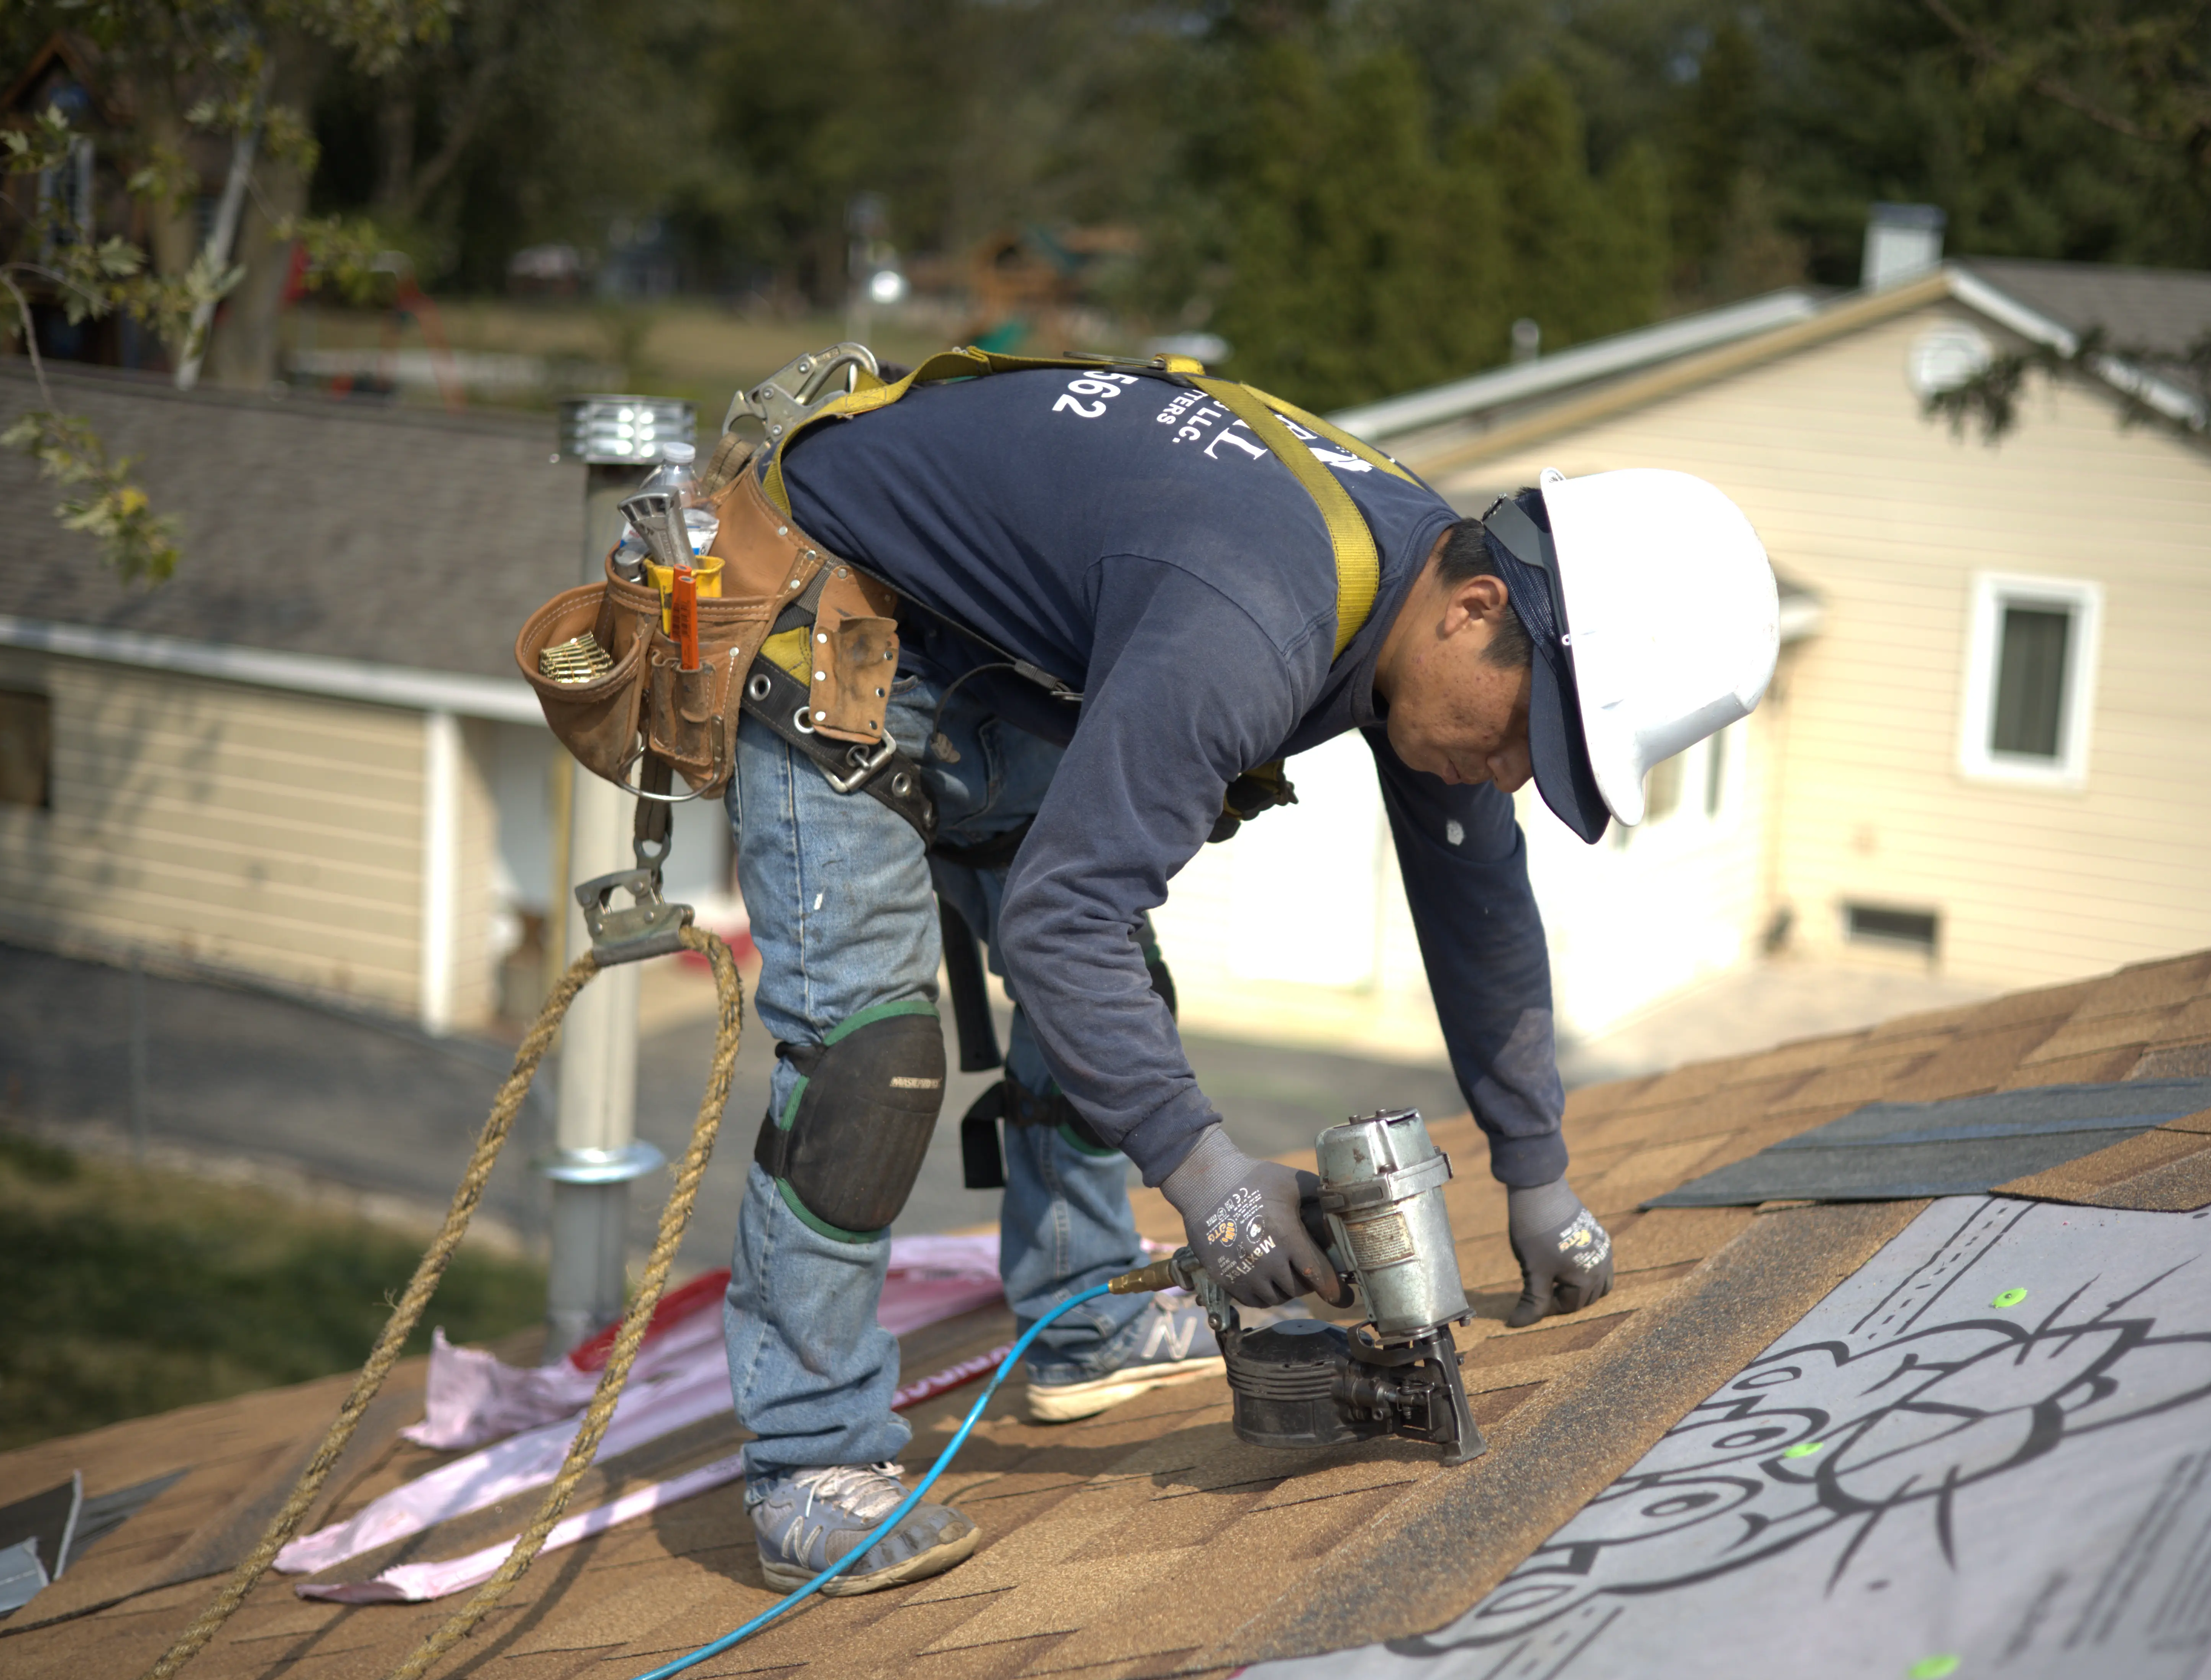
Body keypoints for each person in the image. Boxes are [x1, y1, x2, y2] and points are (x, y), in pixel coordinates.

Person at [717, 359, 1778, 1597]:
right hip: (832, 620)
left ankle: (1088, 1315)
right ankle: (804, 1461)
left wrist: (1535, 1173)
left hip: (998, 659)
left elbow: (1477, 903)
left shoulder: (1431, 600)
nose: (1511, 776)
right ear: (1476, 608)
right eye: (1523, 737)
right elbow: (1067, 920)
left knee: (1116, 1015)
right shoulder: (1254, 614)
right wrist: (1210, 1183)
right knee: (870, 1062)